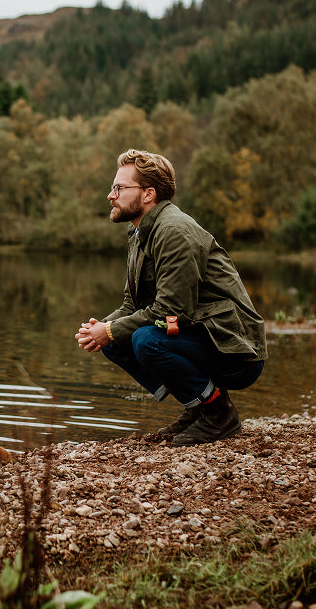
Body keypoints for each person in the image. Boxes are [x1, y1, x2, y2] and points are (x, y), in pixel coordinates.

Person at [75, 149, 267, 446]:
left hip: (236, 350)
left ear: (148, 194)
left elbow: (171, 311)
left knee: (145, 340)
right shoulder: (139, 232)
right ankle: (197, 407)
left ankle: (219, 414)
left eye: (119, 188)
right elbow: (132, 304)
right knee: (114, 341)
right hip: (203, 334)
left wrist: (110, 330)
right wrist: (99, 329)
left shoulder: (174, 231)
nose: (111, 196)